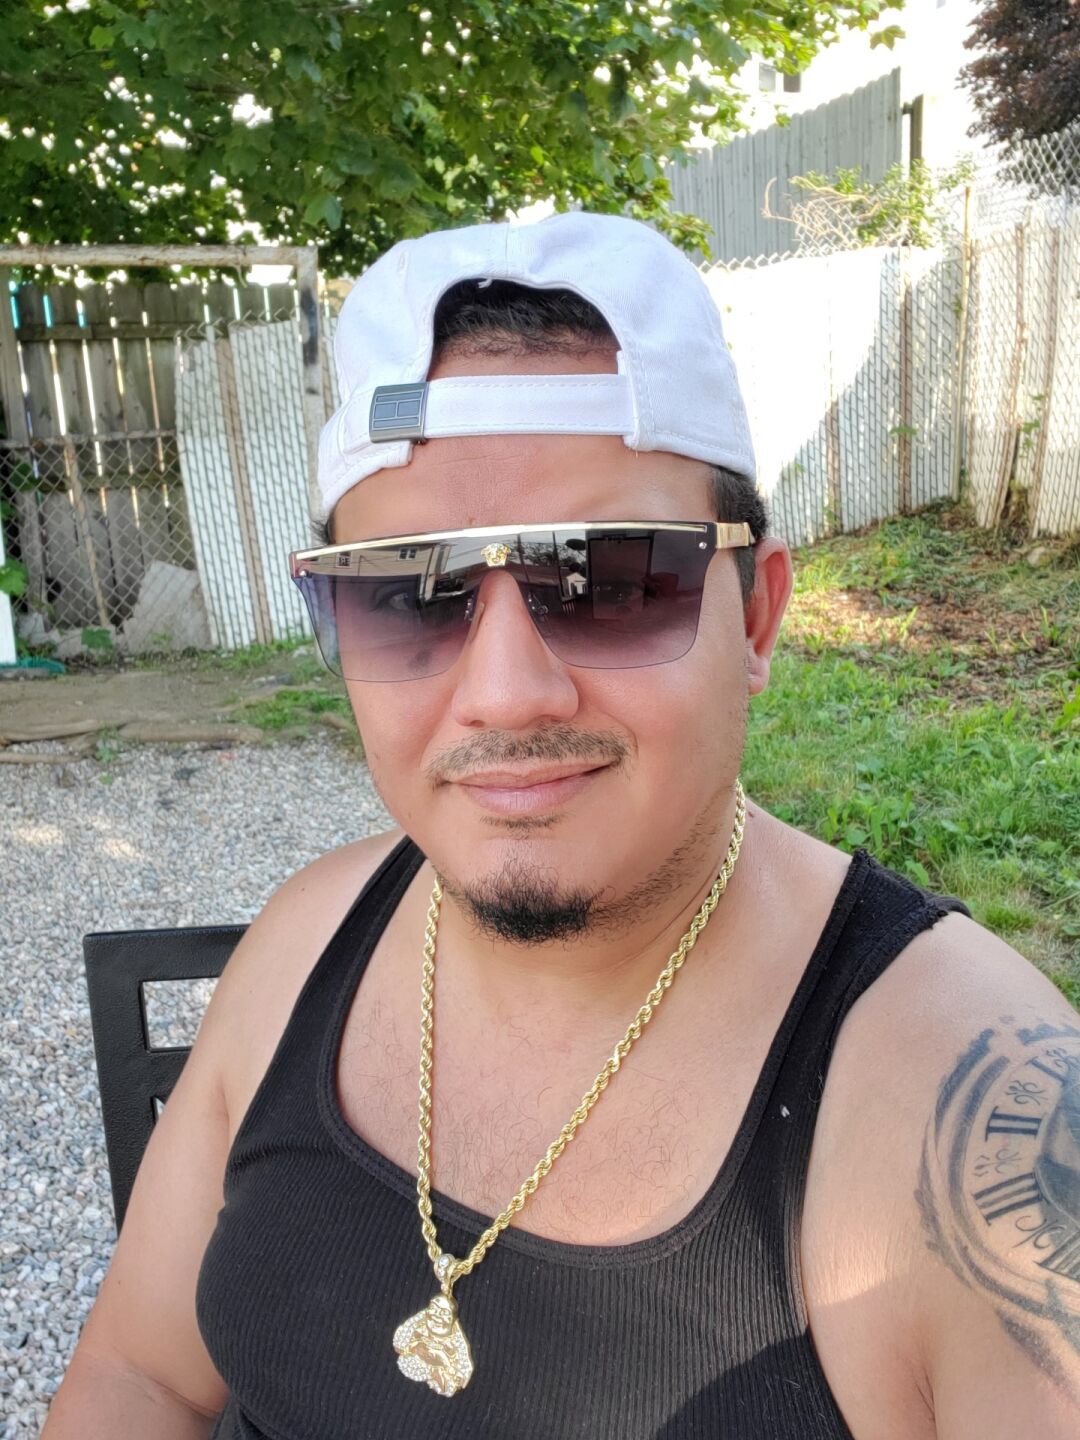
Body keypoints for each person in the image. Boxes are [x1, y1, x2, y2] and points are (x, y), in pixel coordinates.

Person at [43, 212, 1080, 1440]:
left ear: (756, 618)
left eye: (610, 579)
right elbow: (141, 1377)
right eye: (406, 594)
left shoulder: (975, 1121)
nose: (504, 693)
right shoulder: (306, 941)